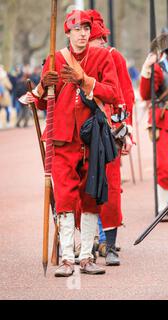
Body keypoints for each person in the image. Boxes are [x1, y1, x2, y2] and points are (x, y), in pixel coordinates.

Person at [32, 10, 120, 277]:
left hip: (93, 138)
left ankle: (86, 256)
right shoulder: (54, 59)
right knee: (65, 197)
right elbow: (40, 102)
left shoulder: (103, 56)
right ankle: (67, 258)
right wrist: (41, 87)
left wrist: (85, 80)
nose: (83, 33)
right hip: (62, 139)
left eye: (86, 28)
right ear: (68, 32)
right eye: (77, 29)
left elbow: (113, 93)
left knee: (91, 196)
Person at [86, 9, 135, 266]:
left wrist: (124, 128)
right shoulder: (71, 60)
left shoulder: (114, 57)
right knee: (82, 190)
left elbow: (125, 95)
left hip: (108, 131)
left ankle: (110, 242)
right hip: (79, 132)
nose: (101, 42)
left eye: (101, 37)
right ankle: (88, 241)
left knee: (111, 188)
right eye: (97, 38)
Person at [140, 30, 168, 220]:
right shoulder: (159, 68)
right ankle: (165, 205)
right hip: (165, 120)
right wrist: (148, 68)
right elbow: (146, 94)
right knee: (166, 165)